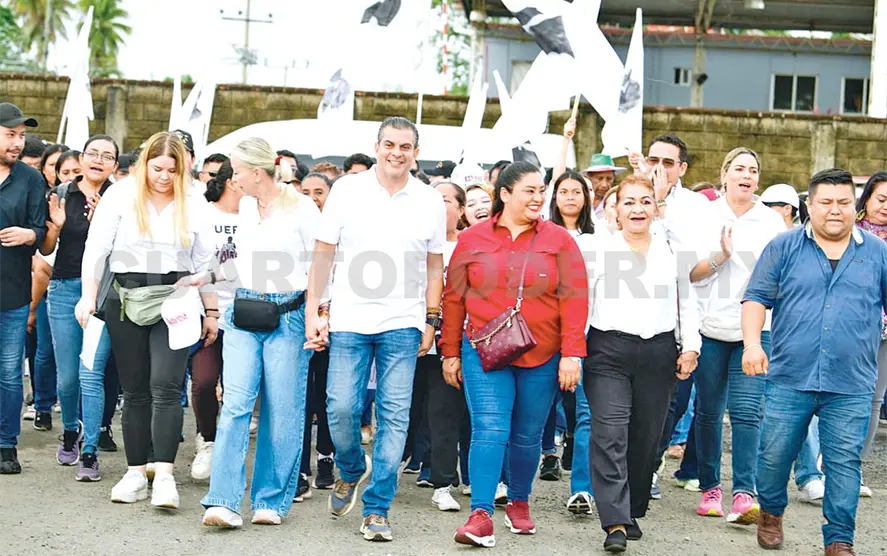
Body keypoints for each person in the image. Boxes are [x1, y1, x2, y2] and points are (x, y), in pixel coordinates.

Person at [304, 117, 446, 542]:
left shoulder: (430, 200)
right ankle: (350, 468)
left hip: (403, 322)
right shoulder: (348, 190)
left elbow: (434, 265)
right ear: (377, 146)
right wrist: (314, 309)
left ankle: (377, 508)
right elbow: (324, 253)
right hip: (349, 318)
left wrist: (431, 319)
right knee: (340, 407)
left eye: (405, 146)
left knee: (394, 416)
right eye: (389, 144)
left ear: (416, 153)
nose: (396, 153)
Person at [441, 161, 588, 548]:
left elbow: (575, 298)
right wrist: (449, 351)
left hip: (543, 352)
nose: (538, 198)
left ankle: (519, 502)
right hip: (483, 351)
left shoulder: (559, 240)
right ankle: (480, 514)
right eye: (529, 191)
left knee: (527, 435)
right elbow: (453, 298)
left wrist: (572, 353)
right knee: (490, 429)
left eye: (541, 191)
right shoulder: (472, 239)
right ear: (504, 194)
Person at [743, 168, 887, 556]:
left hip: (852, 381)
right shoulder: (784, 246)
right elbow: (755, 298)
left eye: (843, 202)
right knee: (774, 456)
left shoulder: (878, 253)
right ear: (809, 205)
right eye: (826, 202)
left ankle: (839, 539)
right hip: (790, 376)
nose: (835, 210)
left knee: (844, 463)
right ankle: (771, 511)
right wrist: (752, 345)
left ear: (855, 207)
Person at [77, 131, 218, 508]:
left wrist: (211, 311)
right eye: (157, 169)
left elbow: (205, 262)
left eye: (172, 170)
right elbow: (96, 249)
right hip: (125, 298)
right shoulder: (120, 194)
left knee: (166, 386)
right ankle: (136, 472)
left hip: (176, 299)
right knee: (135, 389)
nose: (164, 177)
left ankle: (165, 475)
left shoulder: (195, 200)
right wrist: (88, 297)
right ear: (144, 165)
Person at [192, 137, 320, 527]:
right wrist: (208, 276)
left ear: (257, 173)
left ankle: (270, 500)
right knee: (235, 405)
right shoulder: (245, 207)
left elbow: (320, 266)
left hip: (289, 314)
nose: (231, 178)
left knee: (282, 410)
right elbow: (242, 261)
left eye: (236, 171)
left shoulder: (302, 208)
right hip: (244, 310)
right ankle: (223, 501)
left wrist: (319, 313)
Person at [584, 174, 700, 552]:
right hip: (608, 352)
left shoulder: (673, 251)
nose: (637, 209)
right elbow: (583, 303)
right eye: (629, 202)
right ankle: (615, 521)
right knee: (610, 432)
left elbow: (687, 301)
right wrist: (572, 352)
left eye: (645, 201)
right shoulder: (600, 250)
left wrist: (691, 347)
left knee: (647, 436)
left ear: (655, 208)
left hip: (659, 352)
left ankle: (631, 508)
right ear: (615, 210)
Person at [689, 148, 786, 524]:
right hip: (709, 327)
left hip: (757, 331)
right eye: (740, 168)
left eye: (753, 170)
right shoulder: (705, 214)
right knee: (709, 411)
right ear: (725, 173)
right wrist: (721, 256)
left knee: (747, 412)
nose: (747, 175)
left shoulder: (771, 222)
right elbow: (690, 274)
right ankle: (710, 487)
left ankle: (745, 493)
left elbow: (783, 277)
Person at [40, 135, 120, 481]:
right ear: (82, 157)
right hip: (64, 288)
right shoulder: (61, 194)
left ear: (114, 164)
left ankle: (89, 452)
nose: (98, 160)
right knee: (69, 376)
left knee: (92, 372)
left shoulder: (121, 198)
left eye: (106, 156)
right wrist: (56, 226)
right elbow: (46, 248)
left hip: (104, 293)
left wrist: (105, 220)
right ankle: (71, 430)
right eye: (93, 154)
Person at [760, 181, 826, 502]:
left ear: (787, 209)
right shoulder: (762, 237)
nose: (762, 211)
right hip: (754, 331)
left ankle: (809, 474)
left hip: (793, 337)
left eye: (769, 206)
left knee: (801, 405)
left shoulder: (810, 245)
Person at [0, 103, 47, 475]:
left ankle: (6, 444)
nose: (17, 142)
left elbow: (42, 232)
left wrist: (30, 234)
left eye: (21, 135)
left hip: (13, 291)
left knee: (9, 373)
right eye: (10, 134)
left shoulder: (31, 179)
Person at [187, 160, 242, 482]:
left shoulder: (256, 215)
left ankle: (229, 451)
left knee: (237, 388)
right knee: (205, 381)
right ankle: (206, 439)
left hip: (246, 313)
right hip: (204, 310)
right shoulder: (202, 213)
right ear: (232, 181)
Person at [547, 169, 595, 516]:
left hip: (585, 333)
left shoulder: (599, 238)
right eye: (563, 191)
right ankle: (510, 486)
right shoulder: (540, 234)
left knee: (586, 412)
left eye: (576, 191)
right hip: (542, 331)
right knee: (532, 412)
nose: (570, 197)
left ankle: (582, 488)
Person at [425, 180, 467, 511]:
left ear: (462, 209)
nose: (439, 207)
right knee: (432, 412)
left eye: (447, 200)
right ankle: (437, 478)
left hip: (463, 339)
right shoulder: (420, 243)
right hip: (423, 338)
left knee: (460, 413)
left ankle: (459, 479)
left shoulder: (471, 244)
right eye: (434, 200)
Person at [854, 170, 887, 491]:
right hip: (847, 325)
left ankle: (855, 467)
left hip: (884, 332)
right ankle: (817, 463)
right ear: (867, 198)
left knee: (873, 399)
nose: (886, 207)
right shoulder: (848, 230)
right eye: (882, 199)